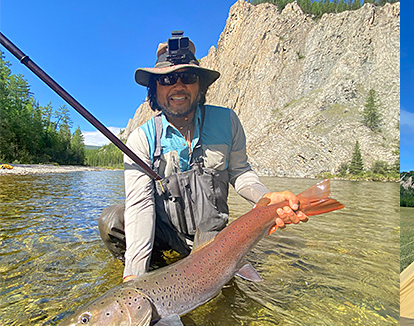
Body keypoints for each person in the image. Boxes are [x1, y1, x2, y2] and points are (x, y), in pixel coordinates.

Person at [98, 30, 306, 279]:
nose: (178, 86)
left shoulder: (227, 121)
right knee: (113, 222)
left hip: (213, 239)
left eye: (187, 77)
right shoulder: (141, 139)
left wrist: (265, 198)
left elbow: (241, 173)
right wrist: (134, 278)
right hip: (167, 234)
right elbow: (140, 207)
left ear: (200, 86)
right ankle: (156, 272)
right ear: (154, 89)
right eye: (166, 80)